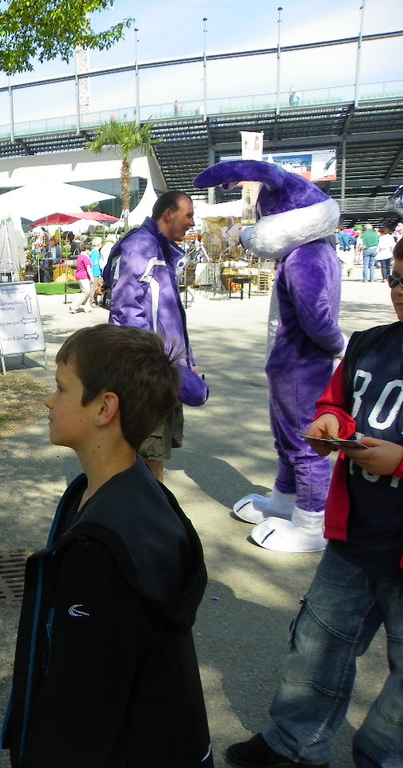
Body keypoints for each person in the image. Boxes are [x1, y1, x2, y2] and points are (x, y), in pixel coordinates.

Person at [0, 323, 213, 768]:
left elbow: (85, 703)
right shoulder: (109, 491)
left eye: (61, 388)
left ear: (104, 407)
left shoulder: (102, 548)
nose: (49, 400)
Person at [225, 241, 403, 768]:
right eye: (395, 278)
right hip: (354, 539)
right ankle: (294, 743)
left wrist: (400, 462)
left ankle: (382, 757)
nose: (399, 291)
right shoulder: (371, 343)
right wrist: (331, 423)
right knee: (316, 644)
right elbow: (337, 401)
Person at [195, 159, 344, 553]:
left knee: (303, 442)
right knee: (286, 438)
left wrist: (337, 344)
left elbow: (316, 316)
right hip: (290, 363)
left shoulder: (304, 258)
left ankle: (311, 522)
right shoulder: (308, 253)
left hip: (301, 365)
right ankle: (284, 501)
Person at [104, 191, 209, 481]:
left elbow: (170, 318)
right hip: (150, 374)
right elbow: (126, 311)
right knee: (147, 456)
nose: (192, 222)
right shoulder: (142, 245)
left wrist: (187, 363)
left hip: (166, 369)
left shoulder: (161, 248)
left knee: (153, 456)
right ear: (168, 214)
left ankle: (145, 504)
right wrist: (151, 363)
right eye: (188, 215)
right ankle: (145, 507)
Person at [70, 248, 94, 313]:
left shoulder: (80, 256)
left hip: (80, 275)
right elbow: (88, 268)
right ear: (86, 249)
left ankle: (87, 308)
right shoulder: (85, 257)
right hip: (84, 276)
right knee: (86, 291)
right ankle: (74, 306)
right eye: (89, 250)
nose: (90, 252)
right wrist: (92, 277)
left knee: (87, 292)